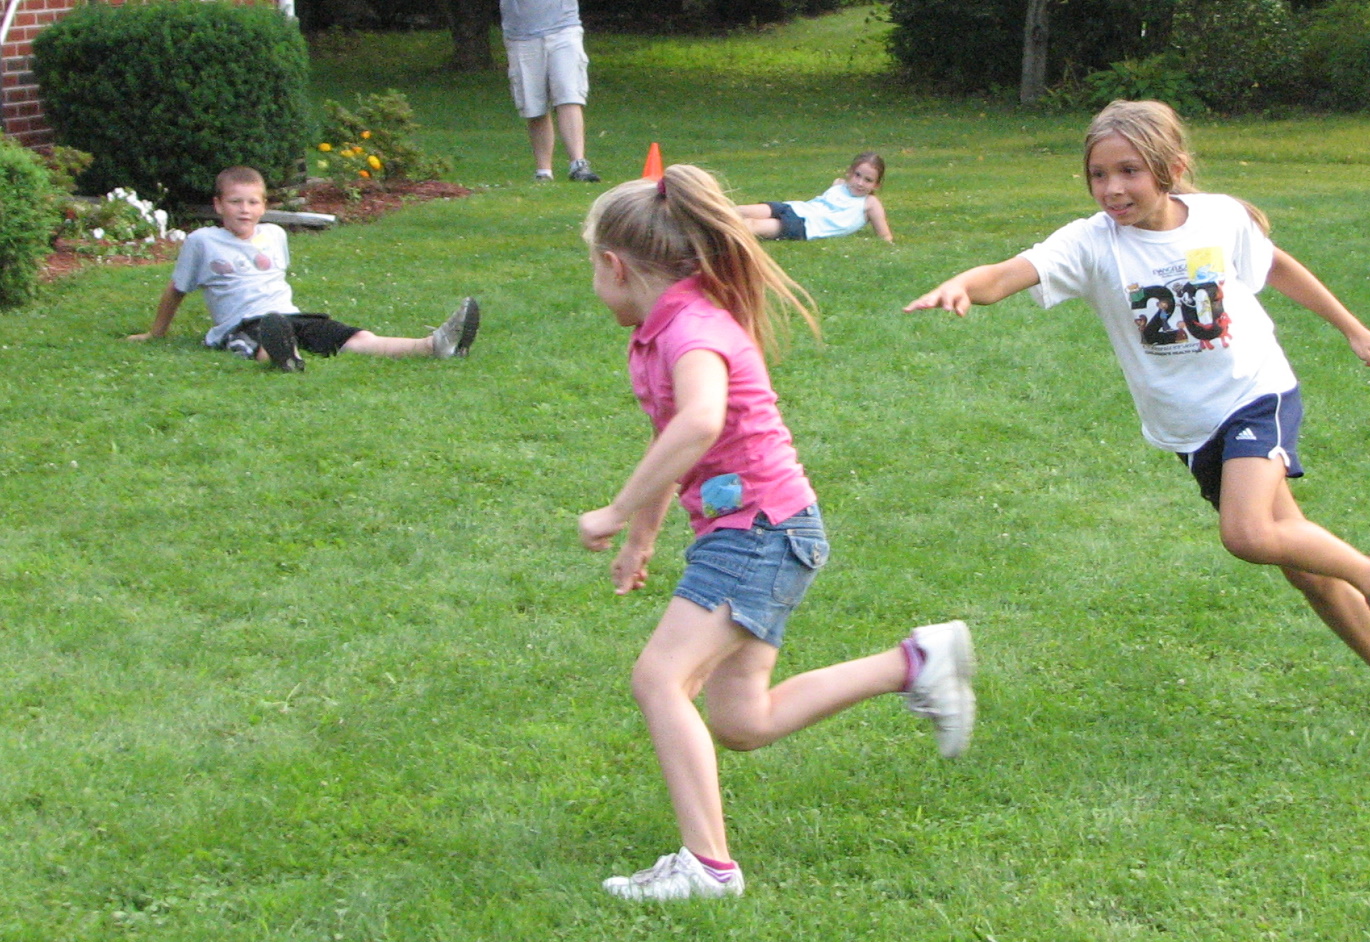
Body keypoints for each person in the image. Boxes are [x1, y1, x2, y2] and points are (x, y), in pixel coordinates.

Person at [904, 99, 1370, 724]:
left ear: (1170, 169)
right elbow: (1008, 273)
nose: (1113, 188)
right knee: (1301, 563)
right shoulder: (1091, 244)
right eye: (1099, 174)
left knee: (1249, 534)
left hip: (1255, 392)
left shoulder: (1219, 218)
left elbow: (1273, 264)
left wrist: (1353, 330)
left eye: (1130, 171)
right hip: (1190, 428)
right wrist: (963, 283)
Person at [578, 164, 975, 901]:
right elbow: (679, 443)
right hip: (769, 528)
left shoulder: (690, 330)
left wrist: (611, 508)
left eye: (589, 269)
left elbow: (698, 423)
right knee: (741, 720)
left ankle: (708, 867)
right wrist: (640, 539)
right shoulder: (669, 326)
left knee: (659, 679)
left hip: (759, 532)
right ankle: (914, 662)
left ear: (614, 264)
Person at [127, 167, 479, 371]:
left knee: (354, 338)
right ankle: (285, 357)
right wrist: (156, 333)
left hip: (291, 315)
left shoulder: (275, 235)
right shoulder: (203, 242)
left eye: (253, 202)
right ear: (218, 205)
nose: (244, 210)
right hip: (243, 323)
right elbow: (177, 289)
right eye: (235, 202)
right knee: (263, 336)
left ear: (264, 205)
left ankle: (433, 345)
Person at [500, 0, 600, 183]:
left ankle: (578, 164)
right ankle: (543, 171)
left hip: (564, 29)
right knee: (534, 107)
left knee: (569, 96)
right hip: (520, 35)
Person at [737, 152, 893, 243]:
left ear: (876, 185)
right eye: (857, 175)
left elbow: (885, 236)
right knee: (742, 210)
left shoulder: (870, 204)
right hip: (794, 207)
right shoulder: (839, 185)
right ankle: (712, 215)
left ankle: (714, 236)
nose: (860, 183)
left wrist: (888, 243)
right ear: (849, 173)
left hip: (804, 226)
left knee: (752, 225)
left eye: (868, 180)